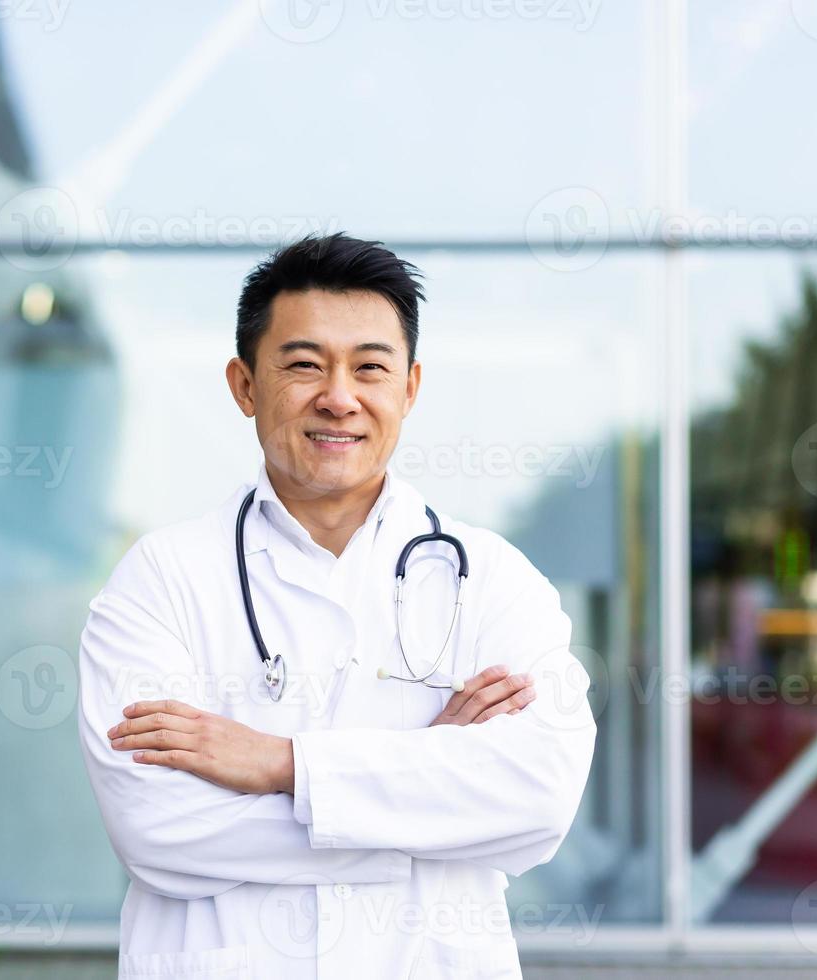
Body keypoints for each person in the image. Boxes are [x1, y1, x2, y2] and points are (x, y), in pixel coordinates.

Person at [76, 233, 597, 978]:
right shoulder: (159, 581)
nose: (339, 397)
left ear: (410, 388)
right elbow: (157, 828)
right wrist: (428, 788)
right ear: (244, 384)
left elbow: (539, 797)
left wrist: (283, 764)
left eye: (371, 368)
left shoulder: (493, 580)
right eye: (304, 364)